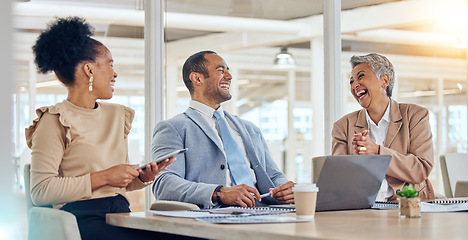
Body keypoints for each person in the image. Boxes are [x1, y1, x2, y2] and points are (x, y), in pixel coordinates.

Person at [26, 17, 192, 240]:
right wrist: (104, 176)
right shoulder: (55, 119)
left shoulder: (117, 115)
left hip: (120, 214)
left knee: (188, 235)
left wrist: (141, 178)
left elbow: (117, 185)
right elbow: (41, 191)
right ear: (89, 69)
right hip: (79, 221)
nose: (115, 73)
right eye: (110, 64)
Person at [151, 50, 294, 209]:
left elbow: (273, 175)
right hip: (213, 215)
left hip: (264, 211)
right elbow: (164, 183)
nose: (229, 76)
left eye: (228, 70)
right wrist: (219, 192)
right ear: (197, 78)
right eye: (221, 70)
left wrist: (285, 188)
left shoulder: (250, 128)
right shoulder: (173, 128)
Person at [332, 53, 435, 201]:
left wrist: (377, 152)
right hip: (363, 210)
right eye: (351, 81)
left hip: (407, 206)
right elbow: (338, 179)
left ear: (384, 81)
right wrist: (355, 160)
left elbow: (420, 169)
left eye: (361, 76)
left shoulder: (415, 115)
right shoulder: (343, 126)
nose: (355, 85)